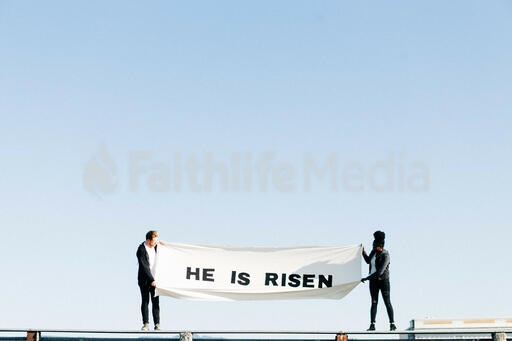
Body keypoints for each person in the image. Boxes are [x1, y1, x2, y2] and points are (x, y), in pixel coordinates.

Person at [361, 230, 396, 331]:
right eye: (372, 245)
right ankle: (372, 324)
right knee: (374, 302)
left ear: (380, 246)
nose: (373, 247)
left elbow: (380, 272)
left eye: (374, 245)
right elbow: (368, 261)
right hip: (373, 281)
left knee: (387, 302)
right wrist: (363, 252)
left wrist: (367, 278)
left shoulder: (386, 255)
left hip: (383, 281)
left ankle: (392, 324)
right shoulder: (373, 252)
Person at [137, 230, 166, 331]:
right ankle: (145, 324)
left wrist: (165, 246)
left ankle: (157, 324)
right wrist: (151, 280)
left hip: (155, 279)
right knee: (145, 300)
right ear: (148, 240)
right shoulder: (141, 249)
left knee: (156, 302)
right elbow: (144, 267)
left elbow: (163, 250)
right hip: (145, 280)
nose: (155, 243)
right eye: (153, 241)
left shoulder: (156, 246)